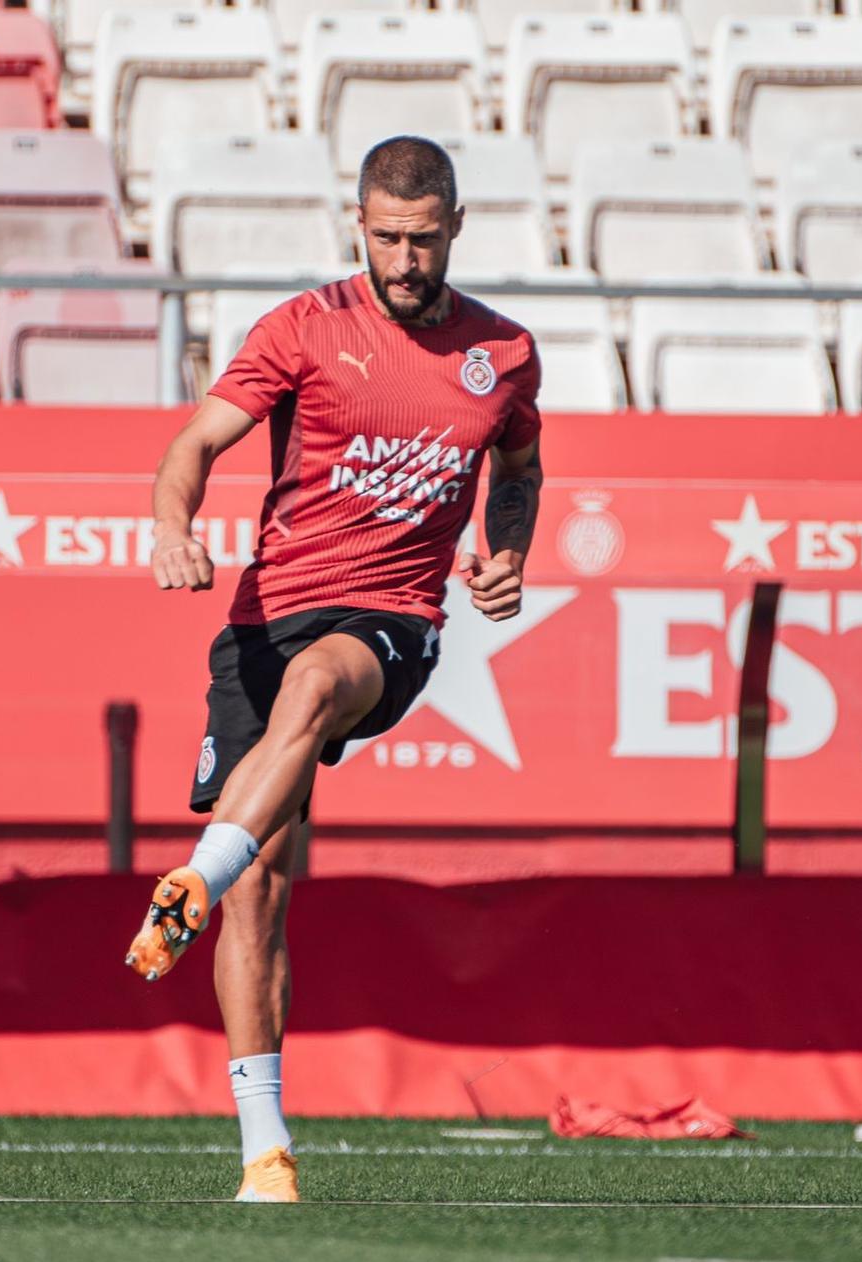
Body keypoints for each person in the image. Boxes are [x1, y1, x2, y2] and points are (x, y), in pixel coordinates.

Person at [121, 135, 546, 1203]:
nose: (405, 259)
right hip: (266, 614)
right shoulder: (302, 329)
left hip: (389, 619)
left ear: (455, 227)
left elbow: (520, 465)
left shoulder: (502, 351)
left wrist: (508, 556)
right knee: (259, 888)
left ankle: (187, 879)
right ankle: (264, 1150)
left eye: (424, 238)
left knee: (317, 687)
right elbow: (193, 444)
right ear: (358, 225)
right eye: (387, 238)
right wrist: (173, 528)